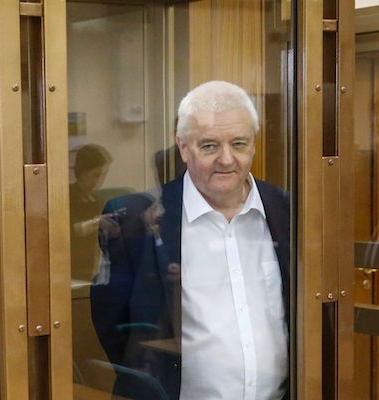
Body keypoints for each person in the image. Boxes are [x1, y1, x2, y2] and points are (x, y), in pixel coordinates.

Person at [91, 80, 290, 400]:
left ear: (254, 144)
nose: (227, 159)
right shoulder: (135, 221)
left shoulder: (286, 210)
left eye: (239, 143)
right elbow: (112, 324)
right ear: (183, 146)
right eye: (210, 146)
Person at [70, 143, 113, 282]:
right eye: (96, 175)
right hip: (74, 269)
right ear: (82, 174)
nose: (100, 180)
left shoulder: (96, 200)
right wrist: (97, 222)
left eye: (102, 175)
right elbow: (70, 230)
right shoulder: (67, 197)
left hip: (94, 268)